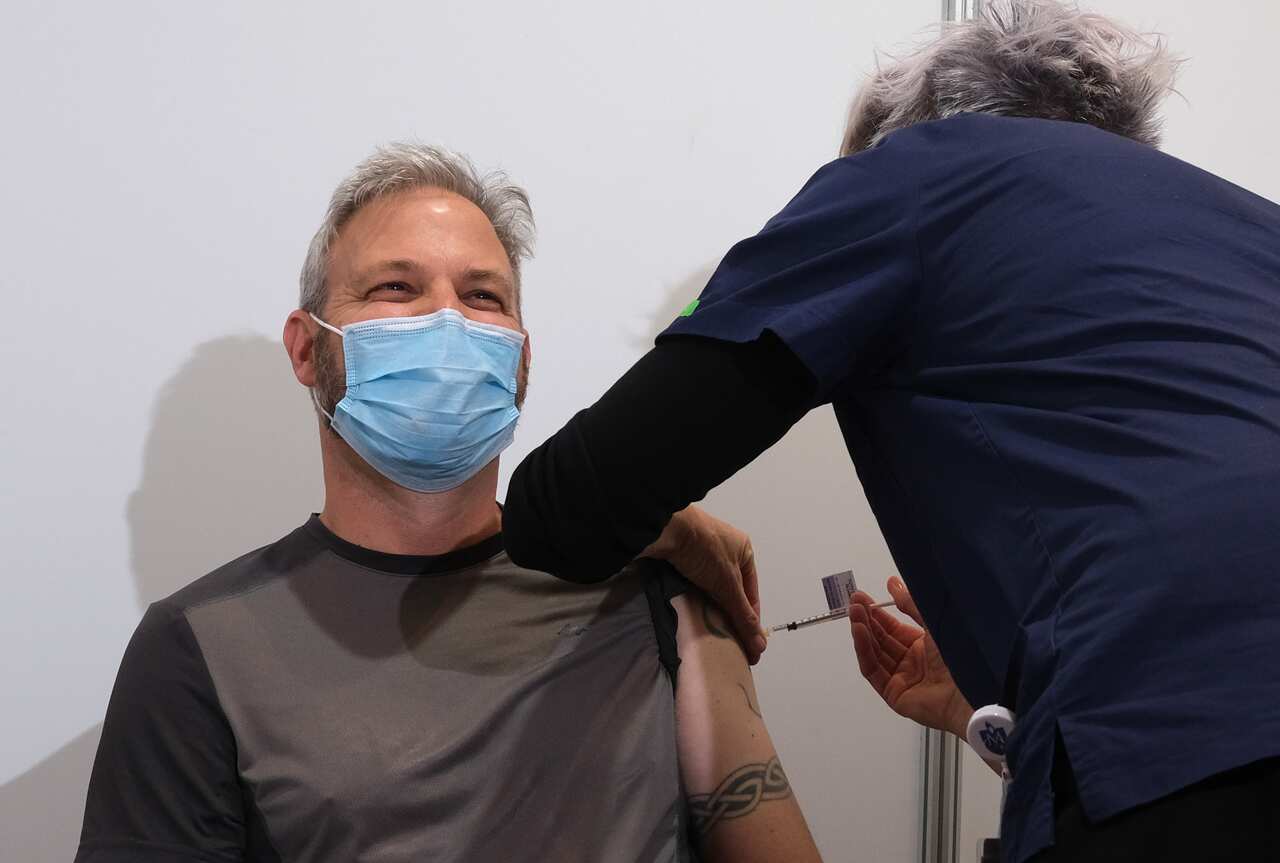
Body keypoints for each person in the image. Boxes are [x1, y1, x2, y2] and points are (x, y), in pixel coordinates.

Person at [500, 2, 1280, 861]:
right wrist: (989, 714)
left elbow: (568, 507)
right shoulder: (1252, 226)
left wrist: (677, 527)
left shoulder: (915, 173)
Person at [75, 144, 821, 863]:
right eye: (396, 288)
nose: (448, 320)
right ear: (307, 349)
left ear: (521, 359)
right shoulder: (198, 649)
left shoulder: (656, 593)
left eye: (482, 295)